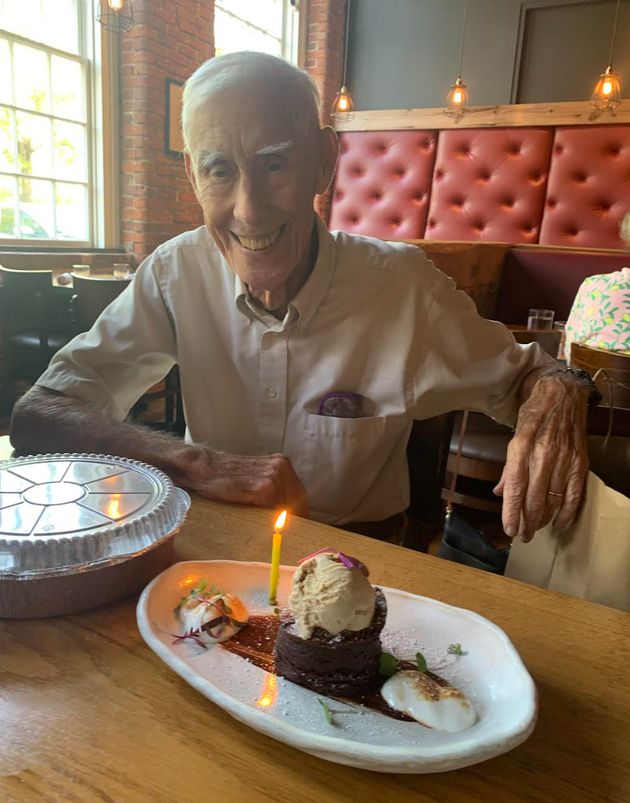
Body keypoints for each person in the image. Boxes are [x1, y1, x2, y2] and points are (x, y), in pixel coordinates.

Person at [10, 51, 597, 544]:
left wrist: (559, 392)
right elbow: (40, 417)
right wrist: (200, 463)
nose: (248, 209)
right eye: (219, 170)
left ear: (323, 161)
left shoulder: (403, 287)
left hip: (361, 562)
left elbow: (531, 379)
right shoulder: (174, 272)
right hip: (210, 559)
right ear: (192, 176)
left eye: (274, 164)